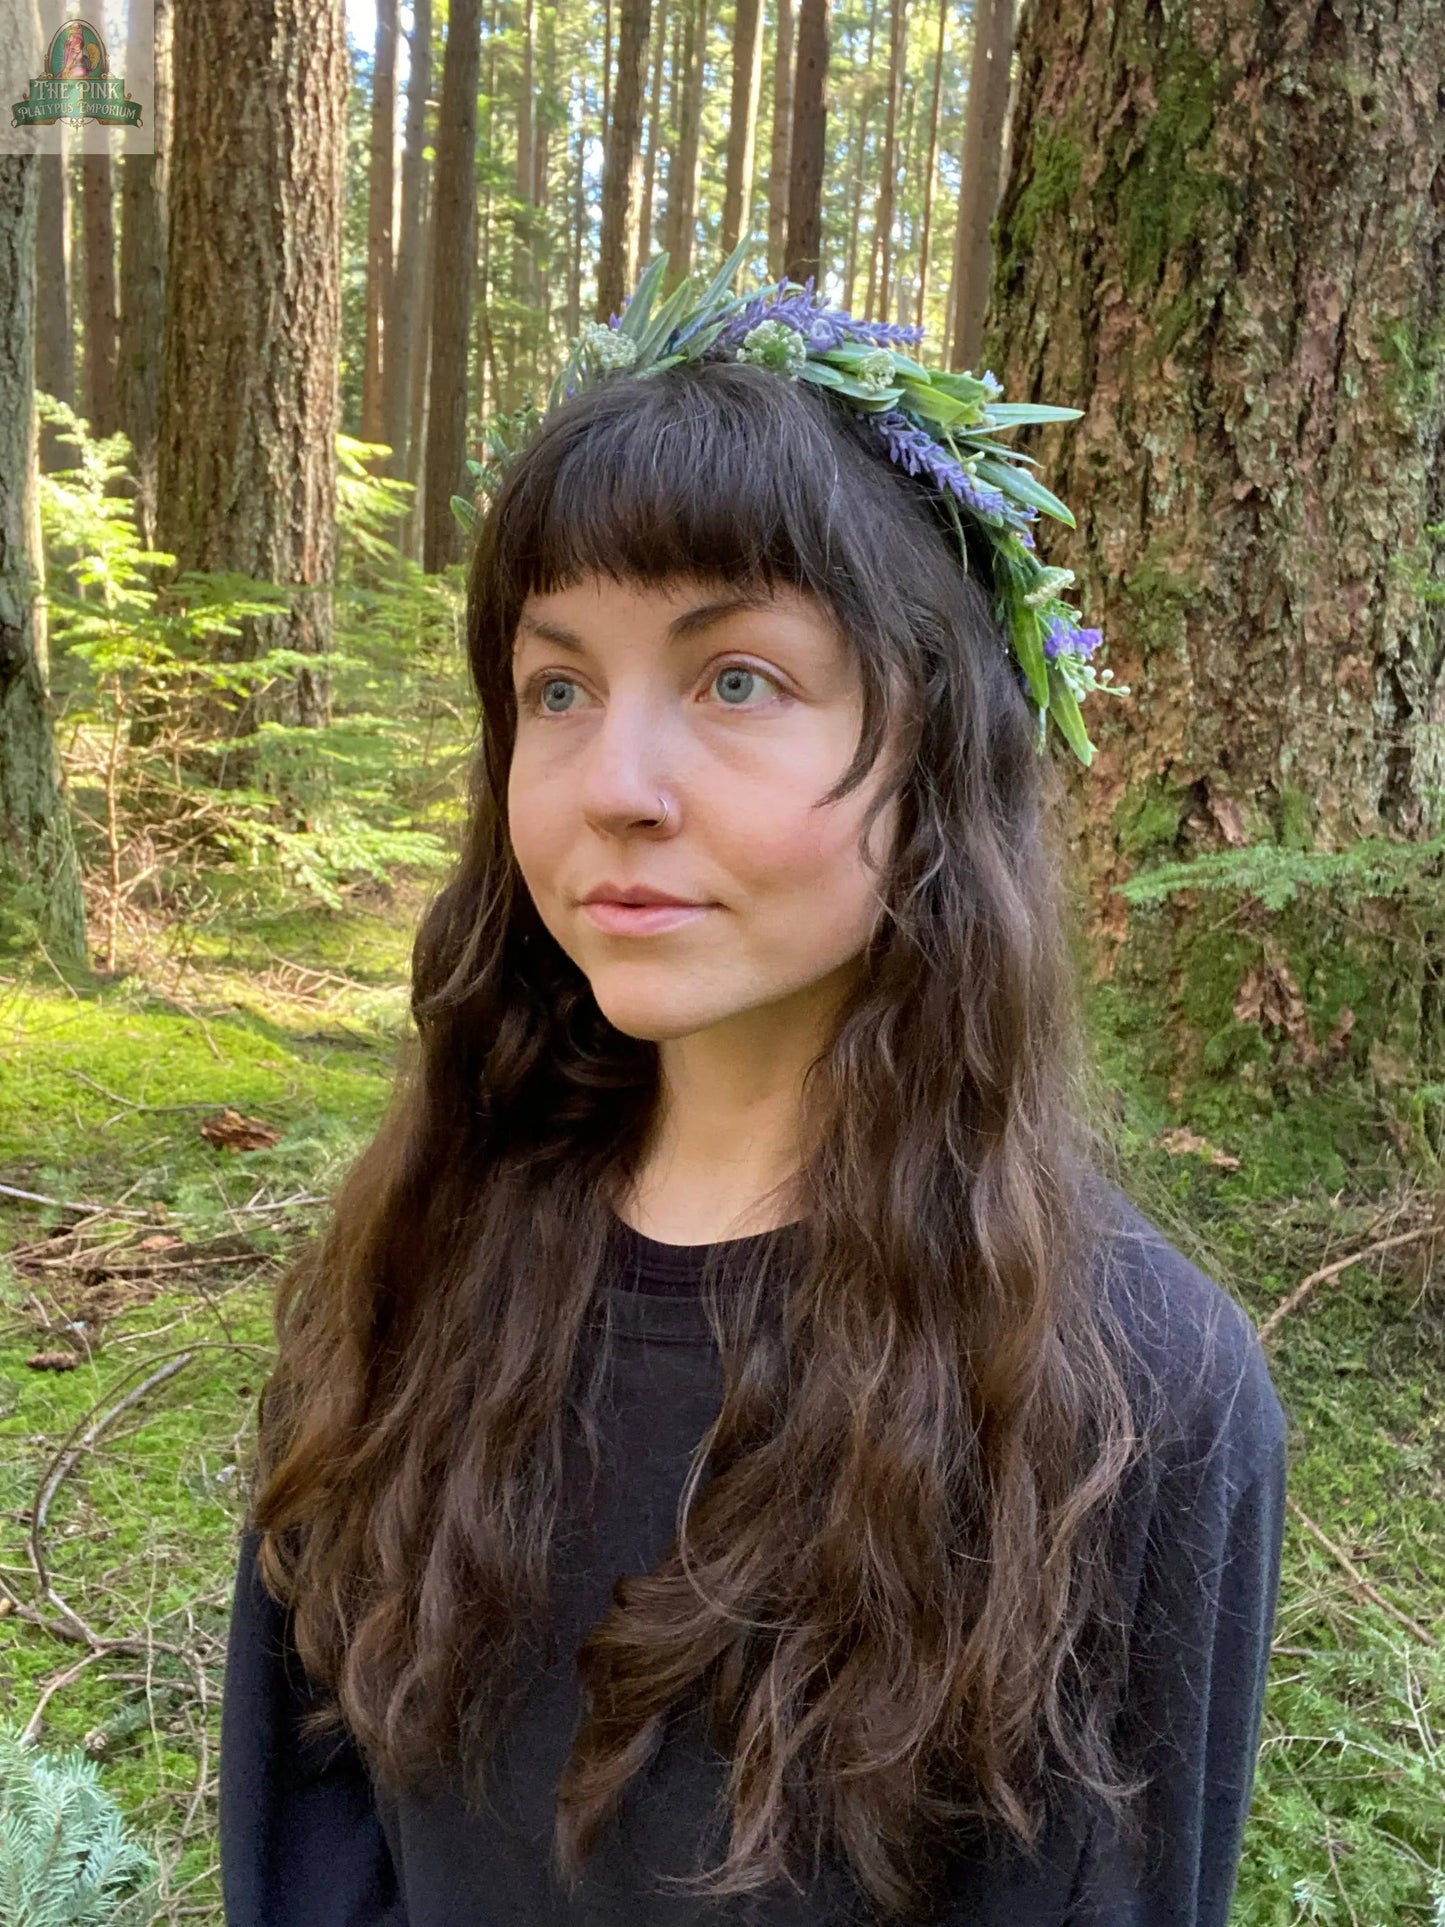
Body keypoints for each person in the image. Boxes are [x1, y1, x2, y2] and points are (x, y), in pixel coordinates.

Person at [218, 250, 1288, 1927]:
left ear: (934, 757)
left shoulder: (1126, 1396)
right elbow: (313, 1843)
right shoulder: (412, 1272)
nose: (614, 784)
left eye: (737, 681)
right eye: (556, 688)